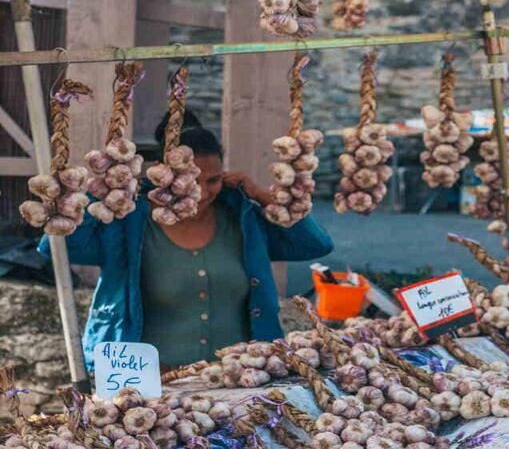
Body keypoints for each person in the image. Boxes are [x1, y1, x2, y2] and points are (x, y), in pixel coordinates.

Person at [40, 111, 334, 370]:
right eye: (193, 180)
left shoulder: (242, 218)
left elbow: (315, 245)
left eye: (214, 180)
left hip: (238, 382)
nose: (204, 192)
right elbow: (57, 246)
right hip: (146, 387)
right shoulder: (128, 219)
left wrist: (261, 195)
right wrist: (110, 190)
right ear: (164, 174)